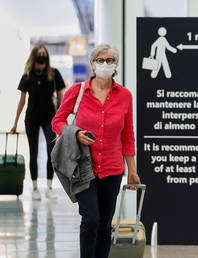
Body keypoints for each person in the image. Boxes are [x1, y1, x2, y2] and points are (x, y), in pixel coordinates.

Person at [51, 44, 141, 258]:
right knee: (90, 219)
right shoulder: (77, 91)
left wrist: (132, 170)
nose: (105, 64)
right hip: (83, 166)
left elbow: (127, 135)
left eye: (110, 60)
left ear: (116, 65)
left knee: (104, 225)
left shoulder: (125, 96)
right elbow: (57, 121)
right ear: (92, 63)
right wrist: (73, 133)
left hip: (112, 169)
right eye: (100, 60)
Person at [11, 45, 66, 201]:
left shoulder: (53, 73)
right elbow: (22, 101)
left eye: (44, 54)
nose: (42, 56)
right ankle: (35, 187)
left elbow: (62, 96)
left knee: (51, 151)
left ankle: (49, 187)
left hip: (50, 118)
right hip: (32, 118)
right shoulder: (28, 75)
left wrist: (62, 117)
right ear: (34, 56)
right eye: (39, 54)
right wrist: (15, 122)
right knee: (33, 152)